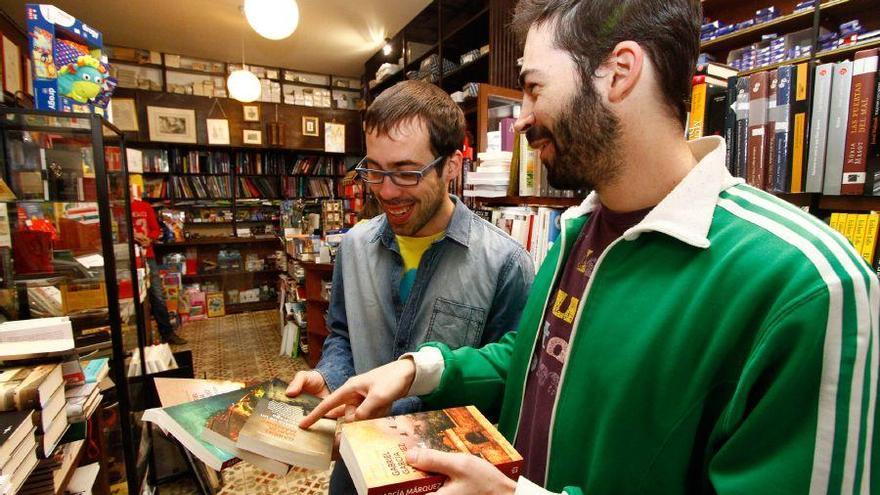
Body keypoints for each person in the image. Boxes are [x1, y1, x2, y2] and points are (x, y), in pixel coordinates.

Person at [301, 1, 880, 494]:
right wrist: (414, 371)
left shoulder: (809, 284)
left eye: (533, 87)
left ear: (618, 71)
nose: (522, 118)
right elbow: (534, 366)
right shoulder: (576, 234)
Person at [286, 80, 535, 494]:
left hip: (442, 480)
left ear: (451, 165)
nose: (385, 191)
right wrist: (330, 378)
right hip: (354, 468)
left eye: (405, 173)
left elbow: (508, 381)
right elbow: (343, 337)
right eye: (374, 171)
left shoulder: (505, 263)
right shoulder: (353, 246)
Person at [130, 191, 187, 345]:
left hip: (147, 256)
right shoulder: (116, 209)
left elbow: (156, 230)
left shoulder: (144, 206)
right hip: (125, 258)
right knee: (131, 299)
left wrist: (148, 239)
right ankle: (136, 338)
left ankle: (167, 333)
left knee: (157, 295)